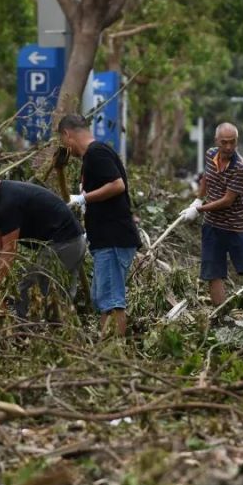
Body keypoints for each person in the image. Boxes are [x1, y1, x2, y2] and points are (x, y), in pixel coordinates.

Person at [0, 161, 86, 319]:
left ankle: (27, 332)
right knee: (57, 297)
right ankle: (60, 334)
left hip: (65, 243)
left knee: (28, 289)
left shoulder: (8, 200)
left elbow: (9, 251)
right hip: (68, 242)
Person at [58, 114, 141, 337]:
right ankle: (108, 351)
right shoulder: (92, 156)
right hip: (105, 239)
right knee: (102, 298)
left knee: (112, 301)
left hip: (113, 239)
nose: (66, 148)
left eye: (63, 141)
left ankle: (114, 355)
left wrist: (84, 198)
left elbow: (117, 185)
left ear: (67, 134)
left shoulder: (97, 153)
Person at [180, 122, 243, 316]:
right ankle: (221, 316)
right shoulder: (210, 154)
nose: (229, 147)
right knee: (214, 273)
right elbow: (206, 177)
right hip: (213, 225)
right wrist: (198, 197)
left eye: (233, 142)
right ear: (217, 142)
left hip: (237, 226)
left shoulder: (240, 167)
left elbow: (227, 201)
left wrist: (199, 209)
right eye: (225, 143)